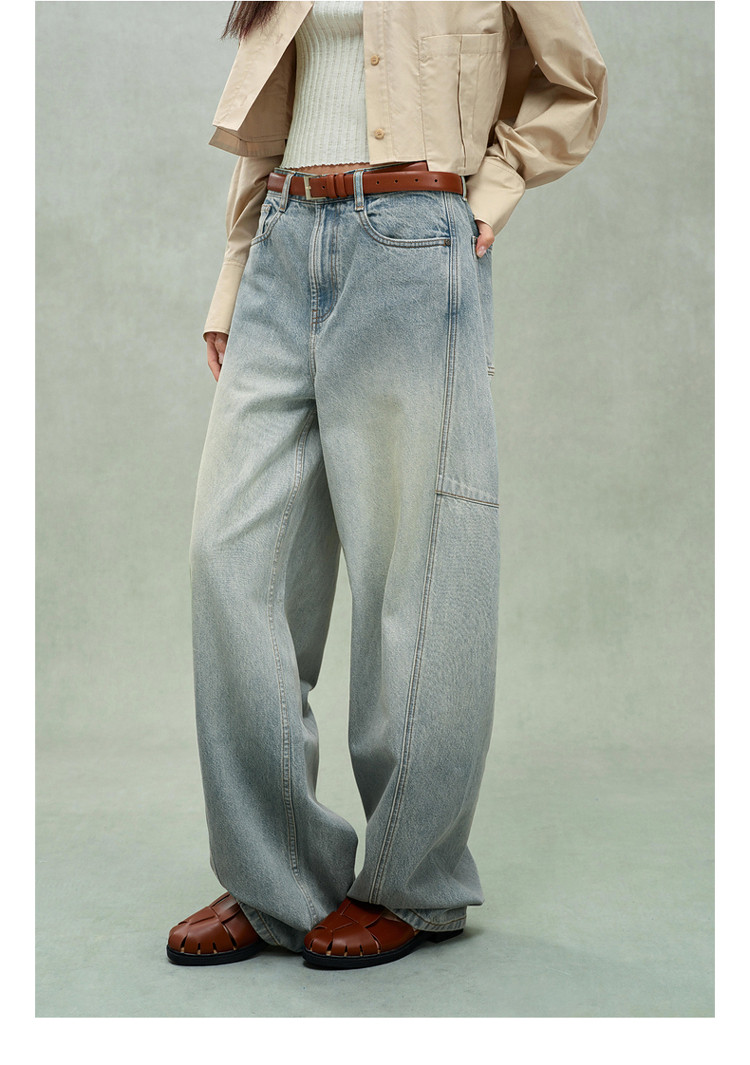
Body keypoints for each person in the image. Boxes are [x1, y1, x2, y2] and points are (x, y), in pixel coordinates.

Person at [166, 0, 607, 971]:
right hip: (284, 234)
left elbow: (576, 81)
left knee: (417, 575)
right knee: (230, 559)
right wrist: (234, 276)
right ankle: (274, 878)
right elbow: (274, 116)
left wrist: (489, 191)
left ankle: (413, 881)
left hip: (412, 235)